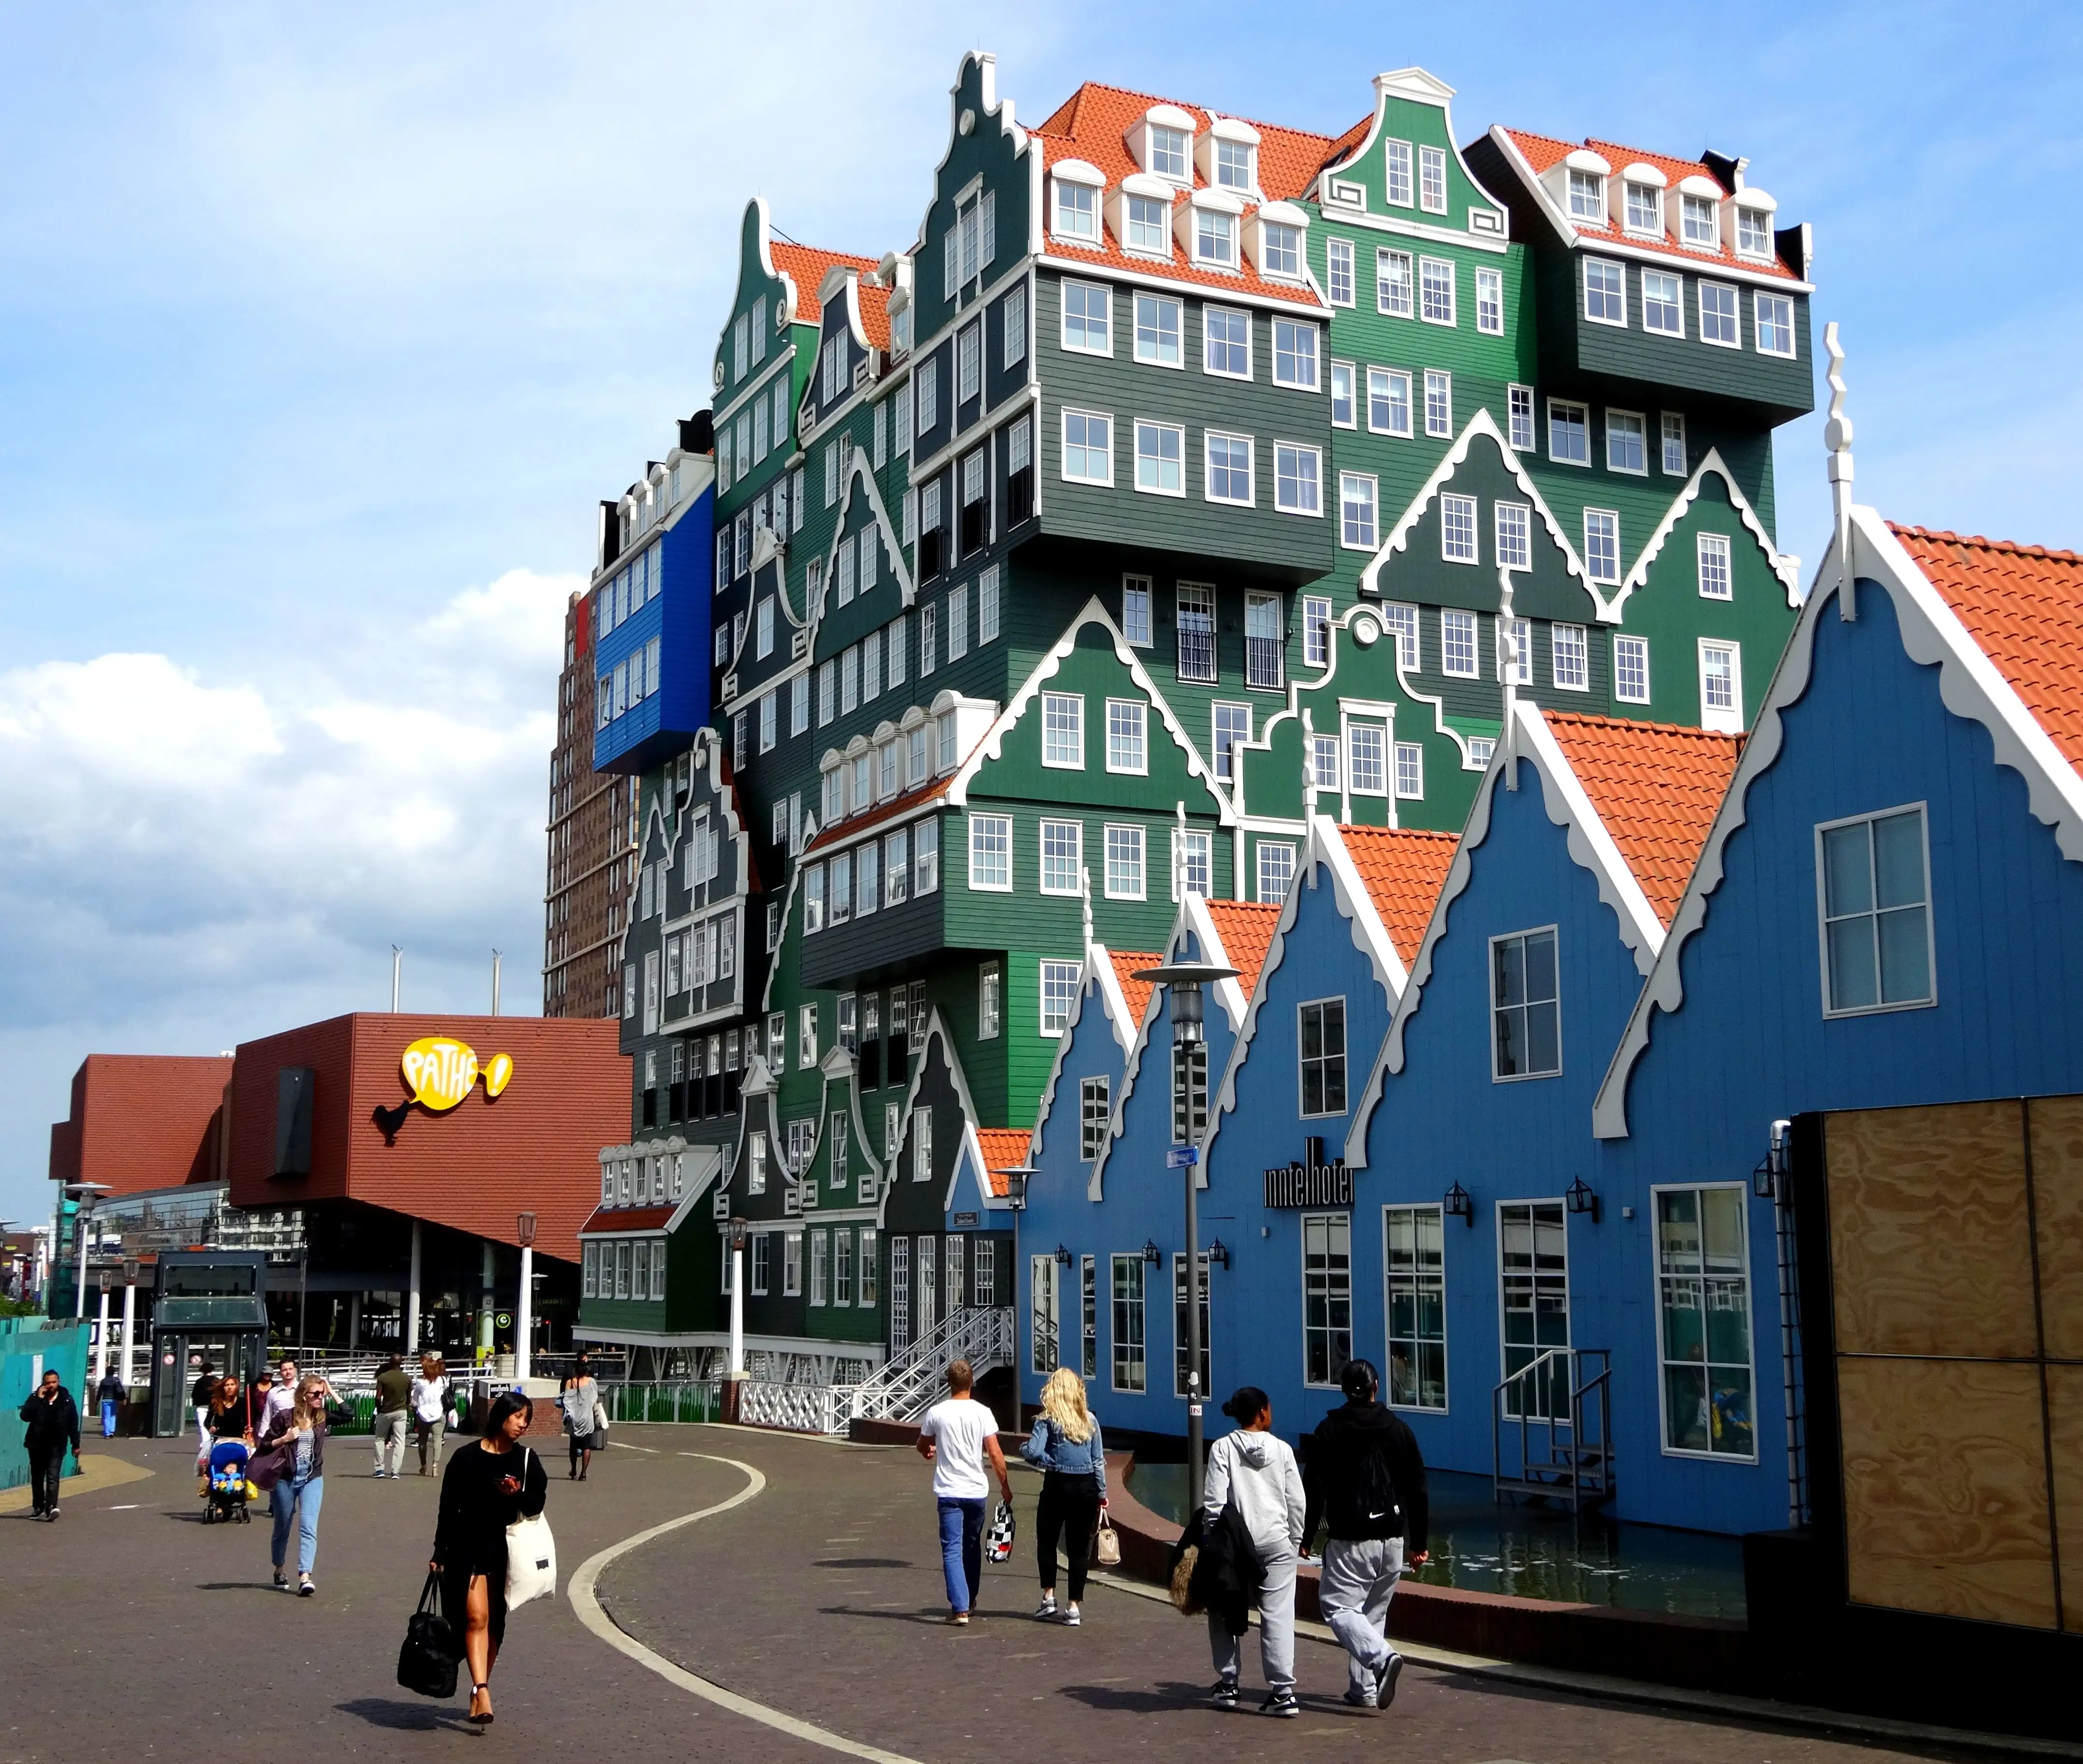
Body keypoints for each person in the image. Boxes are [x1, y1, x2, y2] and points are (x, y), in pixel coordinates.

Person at [1301, 1359, 1430, 1712]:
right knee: (1371, 1616)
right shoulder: (1400, 1429)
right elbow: (1418, 1488)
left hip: (1351, 1539)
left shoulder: (1329, 1430)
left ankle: (1383, 1659)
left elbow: (1315, 1489)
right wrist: (1419, 1543)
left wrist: (1307, 1535)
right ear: (1377, 1389)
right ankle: (1364, 1691)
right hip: (1393, 1540)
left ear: (1344, 1391)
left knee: (1338, 1607)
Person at [430, 1393, 549, 1725]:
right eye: (518, 1418)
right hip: (467, 1547)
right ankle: (482, 1690)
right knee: (476, 1618)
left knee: (494, 1625)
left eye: (527, 1419)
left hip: (507, 1550)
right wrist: (440, 1551)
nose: (523, 1425)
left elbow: (536, 1505)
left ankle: (479, 1688)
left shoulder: (527, 1459)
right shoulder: (465, 1457)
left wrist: (517, 1494)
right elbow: (447, 1507)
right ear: (501, 1417)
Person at [1202, 1386, 1306, 1718]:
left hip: (1236, 1544)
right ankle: (1282, 1692)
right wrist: (1294, 1540)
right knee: (1277, 1614)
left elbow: (1214, 1503)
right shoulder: (1283, 1450)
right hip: (1276, 1542)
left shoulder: (1222, 1449)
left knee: (1224, 1610)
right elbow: (1297, 1502)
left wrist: (1212, 1542)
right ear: (1262, 1413)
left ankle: (1229, 1683)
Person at [915, 1359, 1012, 1626]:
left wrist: (929, 1452)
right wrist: (1004, 1486)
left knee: (952, 1550)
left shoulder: (937, 1413)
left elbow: (922, 1444)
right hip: (976, 1491)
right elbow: (995, 1454)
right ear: (972, 1383)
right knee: (971, 1546)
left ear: (949, 1383)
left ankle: (960, 1609)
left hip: (949, 1491)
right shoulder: (983, 1413)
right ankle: (971, 1599)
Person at [1021, 1366, 1106, 1625]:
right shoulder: (1090, 1420)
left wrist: (1038, 1456)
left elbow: (1033, 1451)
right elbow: (1099, 1460)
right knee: (1079, 1550)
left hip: (1057, 1485)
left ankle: (1048, 1598)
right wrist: (1102, 1493)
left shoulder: (1048, 1419)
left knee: (1047, 1541)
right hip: (1087, 1487)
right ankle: (1073, 1608)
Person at [256, 1374, 333, 1595]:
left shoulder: (321, 1418)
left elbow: (348, 1412)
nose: (321, 1397)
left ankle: (305, 1576)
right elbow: (264, 1445)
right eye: (316, 1394)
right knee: (283, 1525)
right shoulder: (284, 1418)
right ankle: (279, 1568)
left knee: (309, 1526)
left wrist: (332, 1392)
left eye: (322, 1393)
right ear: (303, 1396)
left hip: (312, 1478)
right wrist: (284, 1439)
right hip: (286, 1478)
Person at [19, 1368, 80, 1521]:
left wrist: (75, 1444)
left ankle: (51, 1507)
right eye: (48, 1383)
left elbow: (73, 1422)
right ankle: (38, 1508)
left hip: (56, 1446)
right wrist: (38, 1400)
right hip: (36, 1445)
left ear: (58, 1382)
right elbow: (25, 1416)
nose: (51, 1385)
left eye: (54, 1382)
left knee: (53, 1477)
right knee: (38, 1478)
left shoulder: (67, 1400)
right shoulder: (36, 1398)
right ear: (44, 1384)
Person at [559, 1356, 602, 1481]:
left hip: (574, 1419)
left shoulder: (570, 1383)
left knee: (574, 1446)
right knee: (586, 1447)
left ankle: (573, 1470)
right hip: (587, 1418)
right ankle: (583, 1473)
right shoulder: (591, 1382)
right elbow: (595, 1397)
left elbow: (566, 1401)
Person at [411, 1355, 452, 1475]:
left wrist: (413, 1406)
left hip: (423, 1415)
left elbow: (414, 1401)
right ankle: (436, 1464)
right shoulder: (442, 1381)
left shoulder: (420, 1383)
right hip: (439, 1413)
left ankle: (424, 1465)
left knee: (423, 1441)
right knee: (437, 1440)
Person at [372, 1354, 411, 1478]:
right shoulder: (407, 1378)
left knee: (380, 1439)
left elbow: (378, 1397)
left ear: (390, 1362)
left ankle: (380, 1469)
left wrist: (379, 1409)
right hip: (401, 1411)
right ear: (402, 1363)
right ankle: (395, 1471)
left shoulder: (383, 1377)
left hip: (386, 1411)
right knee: (400, 1441)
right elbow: (409, 1397)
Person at [189, 1361, 217, 1451]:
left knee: (203, 1426)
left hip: (202, 1406)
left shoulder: (199, 1382)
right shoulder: (217, 1381)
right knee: (214, 1425)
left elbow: (194, 1394)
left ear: (203, 1371)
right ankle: (214, 1443)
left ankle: (206, 1444)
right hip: (215, 1406)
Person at [97, 1366, 125, 1439]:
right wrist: (123, 1399)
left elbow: (100, 1392)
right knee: (113, 1416)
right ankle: (112, 1431)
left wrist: (97, 1400)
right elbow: (121, 1390)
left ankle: (107, 1433)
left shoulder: (103, 1381)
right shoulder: (116, 1380)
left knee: (106, 1417)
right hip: (114, 1400)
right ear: (113, 1372)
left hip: (105, 1399)